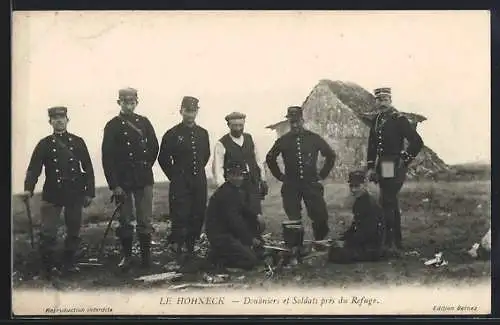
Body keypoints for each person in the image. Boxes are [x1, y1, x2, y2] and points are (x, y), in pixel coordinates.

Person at [21, 106, 95, 278]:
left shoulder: (78, 142)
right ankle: (48, 268)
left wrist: (89, 192)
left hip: (74, 192)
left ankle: (69, 264)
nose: (59, 121)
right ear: (50, 122)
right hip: (52, 193)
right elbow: (34, 169)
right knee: (48, 232)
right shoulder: (44, 144)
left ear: (67, 120)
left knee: (73, 230)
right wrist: (28, 189)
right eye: (55, 119)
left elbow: (88, 168)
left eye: (62, 118)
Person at [101, 87, 159, 270]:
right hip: (123, 181)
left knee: (145, 219)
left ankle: (146, 259)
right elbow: (107, 157)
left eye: (132, 102)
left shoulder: (144, 122)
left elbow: (154, 147)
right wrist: (114, 185)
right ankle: (127, 257)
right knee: (125, 220)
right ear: (119, 103)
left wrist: (144, 165)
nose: (129, 105)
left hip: (143, 177)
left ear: (136, 103)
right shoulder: (112, 125)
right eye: (125, 102)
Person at [266, 106, 336, 256]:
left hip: (311, 183)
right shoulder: (283, 140)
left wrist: (322, 174)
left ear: (303, 120)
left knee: (320, 215)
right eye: (292, 122)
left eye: (297, 122)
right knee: (293, 218)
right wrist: (280, 176)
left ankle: (320, 243)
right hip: (291, 184)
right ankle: (295, 248)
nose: (295, 125)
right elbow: (270, 158)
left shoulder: (314, 138)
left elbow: (330, 155)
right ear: (289, 122)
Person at [365, 87, 423, 253]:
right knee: (388, 201)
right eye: (379, 100)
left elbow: (417, 141)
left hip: (393, 163)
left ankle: (390, 242)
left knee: (388, 200)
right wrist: (370, 167)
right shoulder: (376, 120)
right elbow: (372, 145)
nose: (381, 103)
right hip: (382, 165)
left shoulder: (399, 119)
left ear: (390, 100)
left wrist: (405, 158)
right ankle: (393, 241)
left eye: (384, 100)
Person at [158, 96, 210, 265]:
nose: (190, 115)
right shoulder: (172, 134)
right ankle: (178, 248)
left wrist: (197, 172)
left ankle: (191, 247)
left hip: (199, 180)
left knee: (197, 212)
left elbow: (205, 155)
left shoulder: (203, 133)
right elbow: (163, 158)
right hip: (180, 181)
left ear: (197, 112)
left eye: (193, 111)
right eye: (187, 111)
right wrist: (175, 175)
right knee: (180, 214)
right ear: (181, 111)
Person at [205, 161, 265, 271]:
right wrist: (250, 239)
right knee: (250, 261)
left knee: (259, 254)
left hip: (230, 234)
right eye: (235, 175)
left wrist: (257, 216)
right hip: (221, 236)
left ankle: (224, 254)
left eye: (241, 175)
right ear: (228, 176)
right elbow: (235, 222)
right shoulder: (226, 194)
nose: (239, 178)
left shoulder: (235, 190)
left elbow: (244, 210)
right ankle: (219, 260)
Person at [212, 111, 268, 227]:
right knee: (237, 214)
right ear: (229, 126)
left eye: (240, 125)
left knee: (254, 212)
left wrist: (263, 179)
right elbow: (218, 169)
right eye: (235, 126)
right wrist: (224, 189)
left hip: (252, 183)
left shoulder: (250, 138)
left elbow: (258, 160)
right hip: (235, 185)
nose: (238, 128)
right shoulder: (221, 143)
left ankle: (255, 238)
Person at [328, 170, 386, 263]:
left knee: (338, 254)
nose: (353, 190)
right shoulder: (359, 201)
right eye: (351, 186)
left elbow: (368, 233)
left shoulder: (369, 204)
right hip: (364, 243)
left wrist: (346, 243)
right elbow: (356, 227)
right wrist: (342, 238)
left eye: (357, 186)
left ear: (365, 185)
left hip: (371, 247)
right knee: (334, 248)